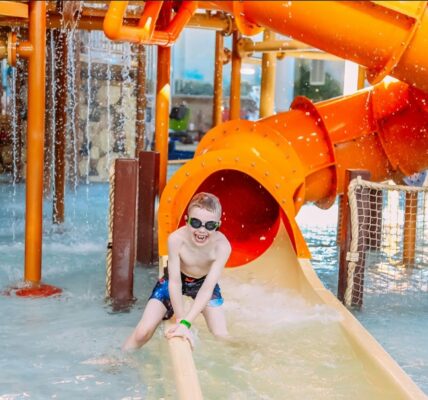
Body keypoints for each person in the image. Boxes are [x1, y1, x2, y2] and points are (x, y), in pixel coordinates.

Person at [122, 192, 231, 351]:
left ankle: (249, 350)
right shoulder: (176, 240)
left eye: (209, 225)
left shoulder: (222, 247)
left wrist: (187, 322)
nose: (201, 230)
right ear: (186, 221)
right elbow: (174, 282)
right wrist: (181, 320)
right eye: (195, 223)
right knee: (142, 332)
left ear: (218, 225)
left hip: (202, 283)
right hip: (173, 280)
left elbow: (207, 289)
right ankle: (119, 359)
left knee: (221, 335)